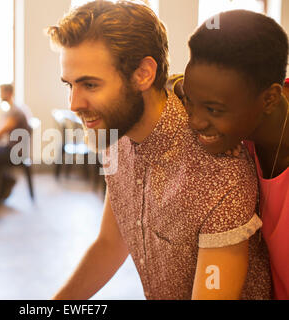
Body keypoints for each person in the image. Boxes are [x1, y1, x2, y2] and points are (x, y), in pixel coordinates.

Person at [47, 0, 271, 300]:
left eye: (90, 85)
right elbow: (111, 243)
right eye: (69, 85)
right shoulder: (115, 136)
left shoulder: (217, 169)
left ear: (143, 74)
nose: (74, 104)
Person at [178, 10, 288, 299]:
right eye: (190, 101)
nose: (195, 121)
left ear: (269, 99)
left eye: (213, 110)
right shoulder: (246, 108)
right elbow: (174, 84)